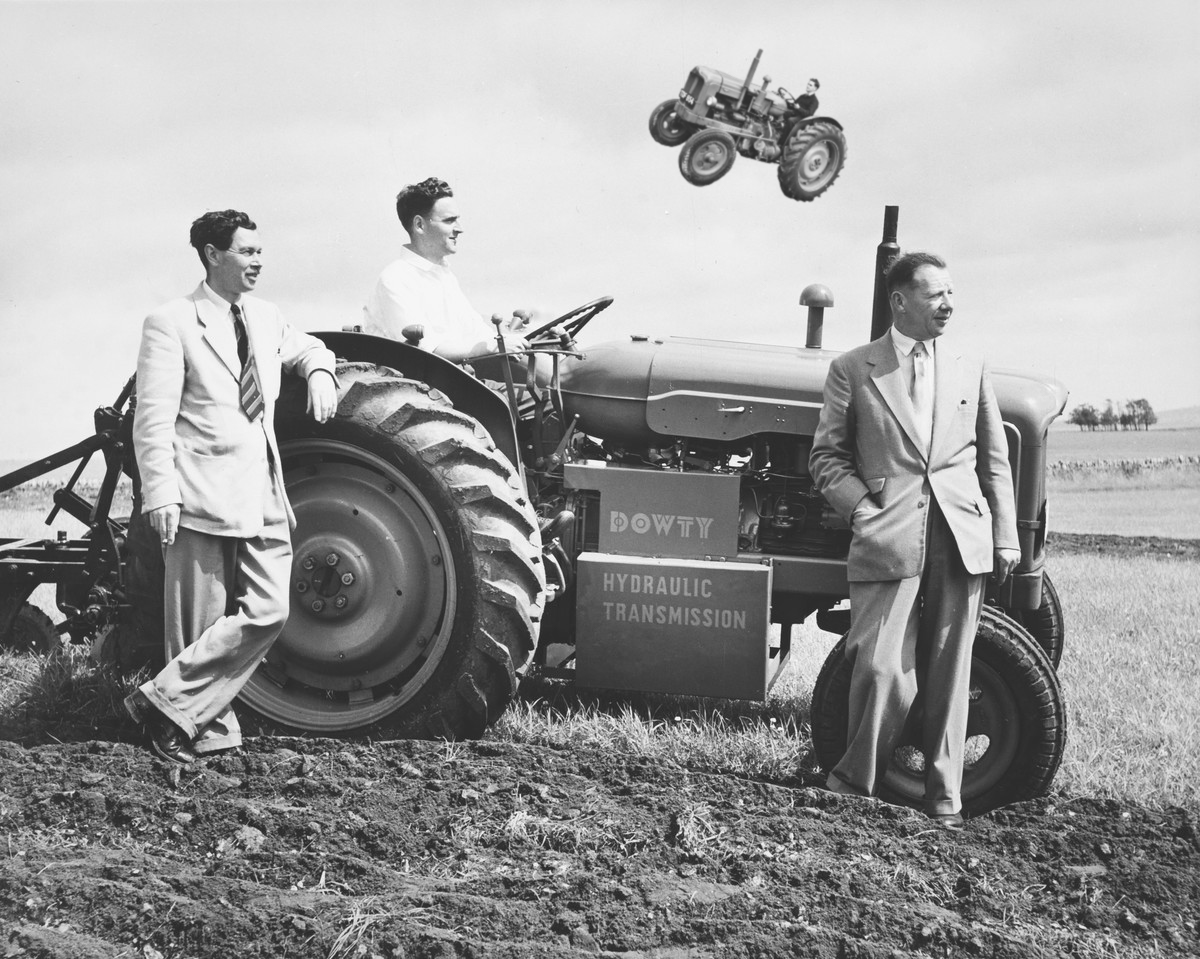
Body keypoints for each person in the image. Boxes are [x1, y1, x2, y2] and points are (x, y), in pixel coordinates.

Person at [808, 251, 1020, 828]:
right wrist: (863, 510)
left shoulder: (970, 364)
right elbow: (826, 457)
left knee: (952, 668)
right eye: (936, 295)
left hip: (960, 533)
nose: (948, 305)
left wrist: (1004, 535)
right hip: (888, 534)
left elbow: (994, 460)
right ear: (900, 301)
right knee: (879, 666)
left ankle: (944, 798)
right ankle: (854, 785)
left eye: (952, 294)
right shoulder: (854, 368)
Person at [125, 210, 338, 764]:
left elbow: (308, 347)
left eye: (260, 251)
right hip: (199, 490)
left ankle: (162, 704)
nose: (258, 261)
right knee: (198, 625)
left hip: (263, 485)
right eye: (246, 252)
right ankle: (201, 735)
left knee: (270, 609)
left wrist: (319, 372)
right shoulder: (171, 322)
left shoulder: (265, 317)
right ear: (213, 255)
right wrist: (161, 493)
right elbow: (151, 420)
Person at [363, 177, 530, 366]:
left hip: (460, 375)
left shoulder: (443, 275)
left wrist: (526, 336)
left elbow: (477, 332)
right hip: (426, 387)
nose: (460, 229)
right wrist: (492, 347)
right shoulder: (395, 279)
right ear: (419, 225)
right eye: (450, 220)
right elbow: (428, 351)